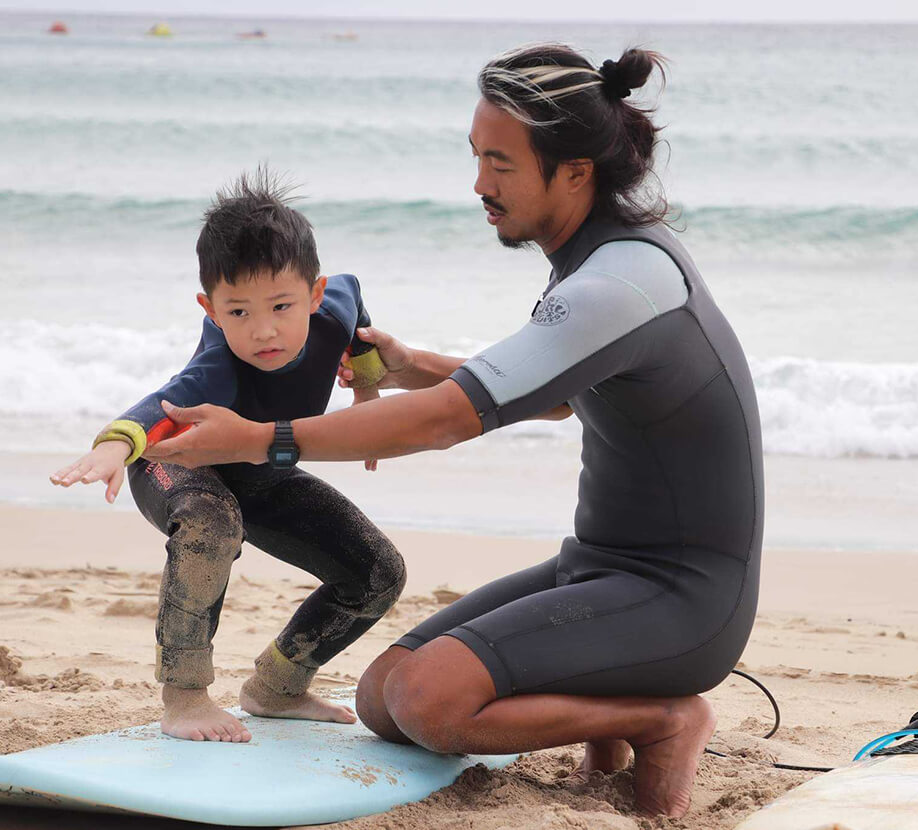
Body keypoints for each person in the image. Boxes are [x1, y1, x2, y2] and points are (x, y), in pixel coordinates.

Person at [144, 44, 763, 818]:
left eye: (500, 164)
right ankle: (610, 724)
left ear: (575, 172)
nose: (479, 185)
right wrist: (412, 365)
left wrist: (258, 438)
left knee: (431, 702)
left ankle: (664, 719)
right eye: (476, 157)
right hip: (597, 570)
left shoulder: (619, 283)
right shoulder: (600, 263)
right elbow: (557, 399)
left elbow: (446, 422)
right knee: (383, 696)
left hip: (683, 599)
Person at [49, 172, 405, 743]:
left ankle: (278, 687)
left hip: (259, 471)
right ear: (210, 309)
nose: (263, 330)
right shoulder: (222, 362)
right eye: (238, 312)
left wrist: (366, 383)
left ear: (314, 294)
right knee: (211, 523)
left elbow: (354, 295)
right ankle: (185, 696)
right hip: (176, 462)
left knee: (377, 573)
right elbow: (166, 402)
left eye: (282, 306)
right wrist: (115, 444)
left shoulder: (334, 308)